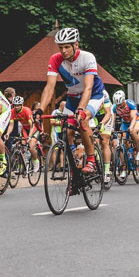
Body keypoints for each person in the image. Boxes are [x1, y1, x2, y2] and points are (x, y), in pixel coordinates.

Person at [39, 27, 106, 174]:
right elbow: (49, 87)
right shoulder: (55, 59)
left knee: (83, 119)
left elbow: (88, 87)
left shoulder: (87, 57)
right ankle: (75, 161)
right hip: (73, 97)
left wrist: (81, 109)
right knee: (66, 131)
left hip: (93, 95)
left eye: (67, 47)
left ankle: (91, 161)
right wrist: (40, 109)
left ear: (76, 44)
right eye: (60, 47)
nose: (63, 51)